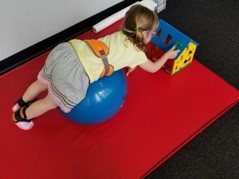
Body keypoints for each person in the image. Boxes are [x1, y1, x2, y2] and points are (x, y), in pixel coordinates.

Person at [12, 4, 180, 130]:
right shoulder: (137, 54)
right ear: (144, 34)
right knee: (49, 102)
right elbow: (153, 68)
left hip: (68, 51)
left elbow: (120, 54)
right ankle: (20, 118)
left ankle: (19, 104)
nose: (153, 36)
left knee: (41, 82)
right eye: (153, 33)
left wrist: (131, 65)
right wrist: (167, 55)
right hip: (75, 73)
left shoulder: (120, 34)